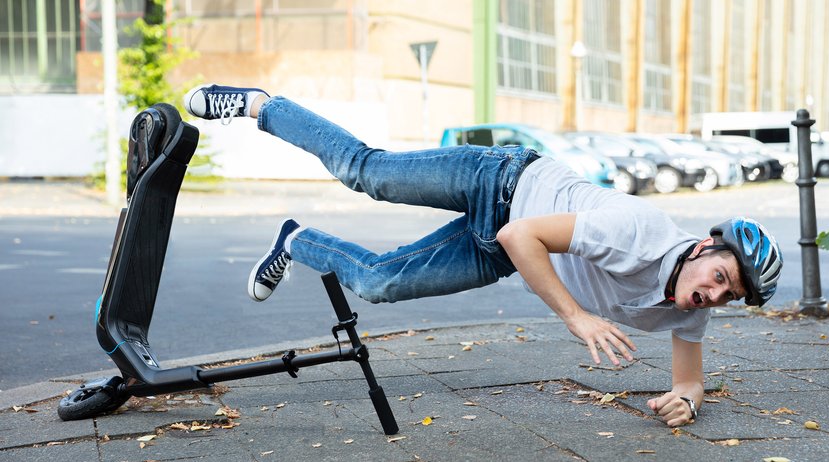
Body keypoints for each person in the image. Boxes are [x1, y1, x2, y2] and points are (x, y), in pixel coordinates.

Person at [183, 84, 783, 427]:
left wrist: (687, 401)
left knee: (380, 284)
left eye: (729, 296)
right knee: (365, 173)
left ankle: (296, 241)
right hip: (499, 183)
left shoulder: (691, 308)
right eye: (720, 276)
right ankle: (263, 105)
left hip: (504, 252)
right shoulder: (635, 232)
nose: (714, 294)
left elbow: (690, 380)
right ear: (706, 246)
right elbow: (524, 233)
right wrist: (577, 317)